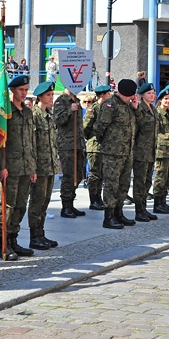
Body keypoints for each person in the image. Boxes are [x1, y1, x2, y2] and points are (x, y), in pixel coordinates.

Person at [0, 74, 37, 261]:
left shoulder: (28, 112)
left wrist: (33, 167)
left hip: (26, 167)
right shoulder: (5, 112)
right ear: (12, 90)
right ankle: (4, 244)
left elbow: (31, 141)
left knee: (20, 206)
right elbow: (0, 143)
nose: (24, 93)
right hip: (10, 167)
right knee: (8, 207)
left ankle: (14, 240)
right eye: (21, 90)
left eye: (26, 90)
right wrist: (1, 167)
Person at [92, 79, 139, 228]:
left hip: (126, 152)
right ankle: (109, 216)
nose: (131, 97)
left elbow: (138, 124)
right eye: (130, 95)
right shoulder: (110, 105)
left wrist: (136, 108)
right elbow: (100, 127)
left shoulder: (128, 107)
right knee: (111, 184)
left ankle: (119, 213)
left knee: (123, 184)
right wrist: (105, 143)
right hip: (112, 153)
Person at [30, 82, 61, 249]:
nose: (51, 97)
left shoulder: (49, 115)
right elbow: (31, 144)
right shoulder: (34, 115)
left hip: (50, 165)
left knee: (45, 202)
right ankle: (34, 237)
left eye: (52, 94)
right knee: (37, 202)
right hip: (39, 167)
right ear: (40, 96)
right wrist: (33, 167)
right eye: (48, 95)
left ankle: (41, 233)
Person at [52, 88, 86, 218]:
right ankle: (65, 206)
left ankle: (71, 203)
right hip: (67, 145)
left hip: (78, 144)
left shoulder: (76, 100)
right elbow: (58, 120)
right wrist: (70, 110)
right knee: (68, 176)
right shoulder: (61, 101)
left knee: (77, 175)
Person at [132, 83, 159, 221]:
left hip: (151, 151)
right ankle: (138, 210)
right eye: (149, 93)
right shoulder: (139, 109)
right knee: (139, 182)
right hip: (140, 152)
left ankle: (144, 208)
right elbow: (135, 129)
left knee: (147, 181)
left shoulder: (153, 109)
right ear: (142, 95)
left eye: (153, 93)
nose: (153, 95)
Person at [83, 85, 112, 211]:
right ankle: (93, 199)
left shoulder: (106, 108)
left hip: (104, 146)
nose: (110, 96)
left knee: (101, 174)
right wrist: (92, 138)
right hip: (94, 146)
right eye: (108, 94)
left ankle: (98, 198)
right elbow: (85, 127)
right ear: (103, 95)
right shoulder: (93, 108)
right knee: (94, 174)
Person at [152, 86, 169, 215]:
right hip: (162, 150)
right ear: (160, 100)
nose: (168, 101)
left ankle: (163, 201)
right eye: (165, 99)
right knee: (161, 177)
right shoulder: (157, 114)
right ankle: (157, 203)